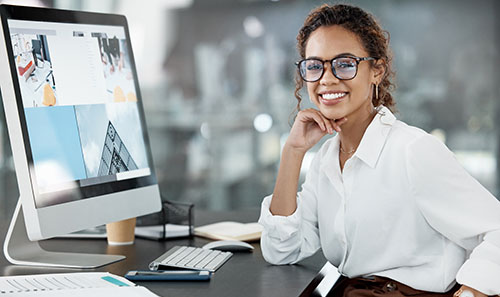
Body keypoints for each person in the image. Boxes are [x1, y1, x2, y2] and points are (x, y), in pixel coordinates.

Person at [258, 4, 500, 297]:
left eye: (344, 64)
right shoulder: (326, 160)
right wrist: (292, 152)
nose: (327, 78)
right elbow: (282, 249)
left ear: (377, 70)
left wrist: (471, 294)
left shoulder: (412, 151)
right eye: (314, 65)